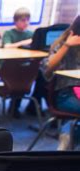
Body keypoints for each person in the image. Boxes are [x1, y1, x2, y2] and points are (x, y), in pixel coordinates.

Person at [43, 15, 80, 150]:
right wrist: (67, 46)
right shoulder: (63, 44)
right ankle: (69, 134)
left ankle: (68, 132)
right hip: (66, 94)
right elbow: (47, 70)